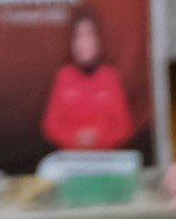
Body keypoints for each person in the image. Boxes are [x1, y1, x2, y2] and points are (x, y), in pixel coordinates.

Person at [39, 9, 138, 152]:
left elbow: (124, 126)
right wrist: (76, 139)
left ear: (98, 40)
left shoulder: (110, 76)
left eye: (89, 35)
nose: (84, 42)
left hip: (105, 159)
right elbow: (51, 126)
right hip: (71, 160)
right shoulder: (64, 76)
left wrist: (98, 139)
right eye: (79, 36)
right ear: (72, 43)